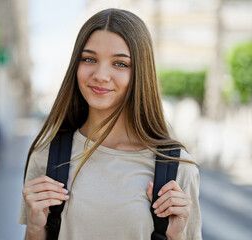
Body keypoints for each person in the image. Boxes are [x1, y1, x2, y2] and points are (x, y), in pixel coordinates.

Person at [18, 8, 202, 240]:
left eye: (120, 64)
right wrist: (35, 229)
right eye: (89, 59)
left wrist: (177, 236)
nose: (101, 75)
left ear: (140, 73)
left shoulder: (178, 168)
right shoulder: (47, 157)